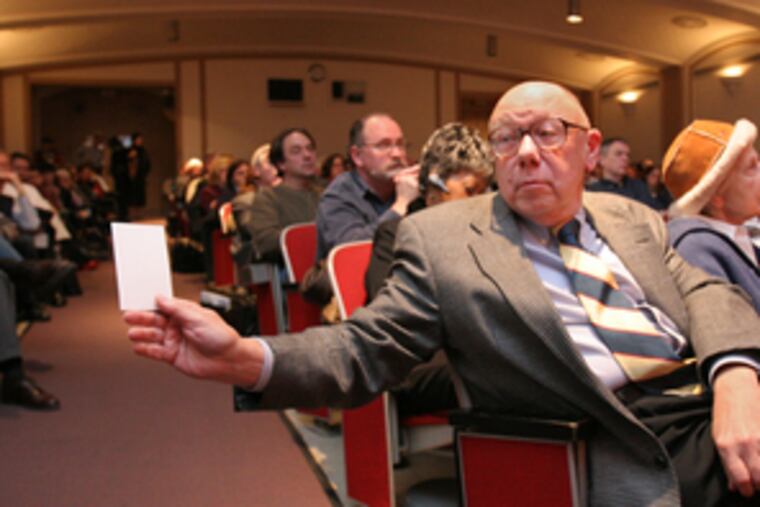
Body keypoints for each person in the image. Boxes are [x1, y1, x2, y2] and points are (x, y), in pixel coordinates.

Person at [125, 81, 760, 506]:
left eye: (549, 131)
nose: (526, 153)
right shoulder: (443, 238)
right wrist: (246, 357)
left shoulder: (630, 216)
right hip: (623, 434)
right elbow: (364, 346)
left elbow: (707, 290)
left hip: (713, 398)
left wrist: (735, 377)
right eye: (506, 138)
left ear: (589, 149)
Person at [663, 118, 760, 312]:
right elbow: (730, 327)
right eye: (751, 167)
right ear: (716, 197)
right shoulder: (695, 249)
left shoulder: (738, 231)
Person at [314, 113, 420, 263]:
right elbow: (349, 253)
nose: (397, 154)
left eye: (400, 144)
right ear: (357, 156)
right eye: (383, 145)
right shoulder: (337, 196)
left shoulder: (412, 186)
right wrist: (401, 204)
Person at [245, 129, 320, 263]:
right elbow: (266, 242)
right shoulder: (268, 197)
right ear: (281, 164)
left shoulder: (325, 194)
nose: (307, 155)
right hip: (292, 269)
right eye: (296, 151)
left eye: (310, 149)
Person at [587, 137, 660, 209]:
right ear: (602, 159)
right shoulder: (593, 192)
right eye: (618, 154)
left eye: (627, 155)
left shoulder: (638, 187)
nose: (625, 158)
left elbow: (653, 212)